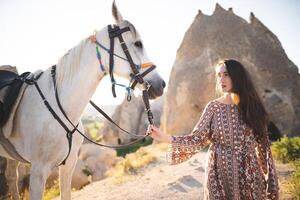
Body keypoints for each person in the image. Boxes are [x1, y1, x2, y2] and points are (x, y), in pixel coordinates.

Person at [148, 59, 279, 200]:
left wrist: (271, 182)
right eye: (219, 75)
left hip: (250, 177)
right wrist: (166, 138)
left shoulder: (253, 108)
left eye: (226, 74)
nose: (221, 79)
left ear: (238, 76)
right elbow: (197, 139)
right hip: (218, 178)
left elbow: (264, 146)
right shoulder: (213, 108)